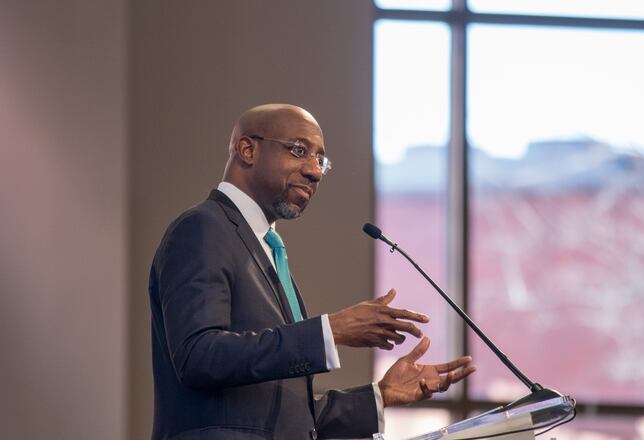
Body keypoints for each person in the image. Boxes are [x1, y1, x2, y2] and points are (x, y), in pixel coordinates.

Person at [148, 104, 476, 440]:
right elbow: (198, 356)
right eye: (299, 151)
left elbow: (281, 416)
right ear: (247, 149)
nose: (315, 172)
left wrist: (381, 396)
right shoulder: (202, 228)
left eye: (320, 160)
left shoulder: (265, 249)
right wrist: (329, 331)